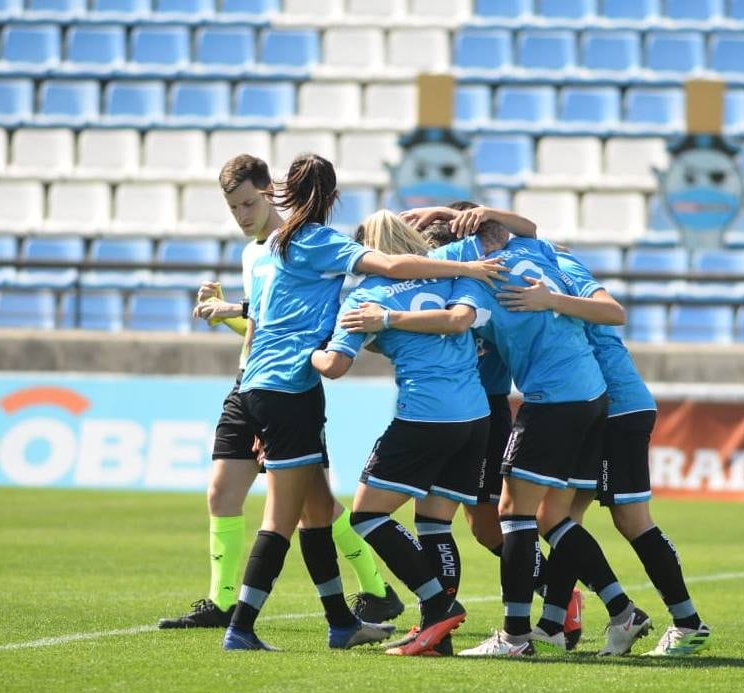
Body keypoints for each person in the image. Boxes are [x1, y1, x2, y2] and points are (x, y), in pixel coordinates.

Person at [222, 154, 506, 651]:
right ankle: (241, 628)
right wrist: (462, 264)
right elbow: (401, 268)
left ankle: (341, 622)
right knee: (288, 517)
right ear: (332, 198)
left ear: (278, 191)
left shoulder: (268, 250)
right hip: (296, 389)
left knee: (317, 510)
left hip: (261, 385)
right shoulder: (324, 243)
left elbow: (272, 322)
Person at [340, 211, 650, 657]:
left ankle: (558, 607)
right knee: (448, 521)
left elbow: (456, 320)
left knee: (495, 524)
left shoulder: (466, 284)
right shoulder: (469, 276)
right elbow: (527, 233)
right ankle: (448, 617)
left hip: (484, 410)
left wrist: (387, 320)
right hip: (494, 407)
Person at [157, 154, 403, 631]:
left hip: (287, 386)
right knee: (221, 493)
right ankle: (224, 602)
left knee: (314, 507)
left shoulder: (301, 245)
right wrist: (222, 313)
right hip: (249, 381)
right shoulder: (254, 254)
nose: (243, 215)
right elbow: (260, 326)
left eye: (248, 203)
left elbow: (286, 322)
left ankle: (373, 588)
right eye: (233, 208)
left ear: (270, 191)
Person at [496, 245, 712, 656]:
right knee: (558, 516)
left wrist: (550, 299)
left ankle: (685, 623)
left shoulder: (562, 266)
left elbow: (613, 311)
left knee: (631, 520)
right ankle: (554, 622)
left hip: (617, 406)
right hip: (597, 407)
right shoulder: (538, 267)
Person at [312, 209, 486, 656]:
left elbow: (334, 366)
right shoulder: (451, 267)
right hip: (476, 416)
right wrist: (451, 213)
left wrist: (302, 351)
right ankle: (436, 634)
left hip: (425, 416)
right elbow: (506, 237)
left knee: (367, 516)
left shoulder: (366, 298)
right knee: (433, 524)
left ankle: (437, 605)